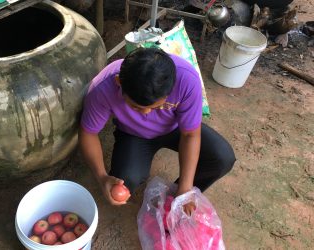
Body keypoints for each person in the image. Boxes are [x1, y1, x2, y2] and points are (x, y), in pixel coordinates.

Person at [78, 47, 235, 214]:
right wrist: (102, 177)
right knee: (125, 180)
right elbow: (88, 132)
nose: (146, 113)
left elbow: (190, 134)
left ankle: (176, 196)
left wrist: (185, 188)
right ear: (119, 83)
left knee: (222, 158)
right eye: (136, 107)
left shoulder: (186, 79)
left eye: (157, 106)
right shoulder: (103, 88)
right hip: (133, 134)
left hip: (176, 128)